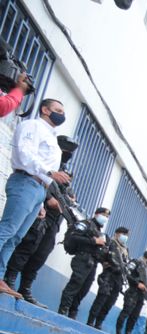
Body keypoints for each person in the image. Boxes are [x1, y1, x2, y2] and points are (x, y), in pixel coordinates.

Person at [0, 98, 70, 295]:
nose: (62, 115)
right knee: (7, 229)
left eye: (63, 112)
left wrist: (40, 201)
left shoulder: (52, 137)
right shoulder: (32, 126)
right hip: (25, 181)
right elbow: (25, 154)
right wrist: (50, 172)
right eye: (58, 110)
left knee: (16, 237)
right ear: (45, 110)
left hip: (38, 189)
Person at [3, 173, 70, 306]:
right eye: (65, 176)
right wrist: (49, 197)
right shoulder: (48, 178)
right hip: (39, 221)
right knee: (24, 249)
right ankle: (9, 279)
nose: (66, 180)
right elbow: (40, 183)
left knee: (40, 257)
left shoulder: (65, 194)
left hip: (52, 227)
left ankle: (25, 288)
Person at [58, 207, 109, 319]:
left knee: (84, 289)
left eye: (107, 217)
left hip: (93, 262)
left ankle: (73, 311)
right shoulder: (86, 224)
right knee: (75, 285)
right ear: (96, 214)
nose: (105, 218)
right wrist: (94, 241)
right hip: (82, 258)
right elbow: (74, 237)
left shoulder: (99, 231)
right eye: (103, 215)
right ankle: (63, 310)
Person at [87, 226, 130, 329]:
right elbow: (101, 254)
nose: (125, 237)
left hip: (119, 279)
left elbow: (125, 263)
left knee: (110, 302)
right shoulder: (110, 243)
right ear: (117, 234)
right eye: (123, 234)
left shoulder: (125, 249)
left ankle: (99, 322)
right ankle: (91, 320)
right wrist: (104, 262)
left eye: (126, 235)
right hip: (109, 275)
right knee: (101, 299)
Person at [115, 250, 147, 334]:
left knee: (134, 316)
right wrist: (137, 283)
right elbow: (127, 273)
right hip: (133, 292)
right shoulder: (135, 262)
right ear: (146, 258)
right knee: (126, 312)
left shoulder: (146, 270)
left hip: (141, 295)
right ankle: (118, 332)